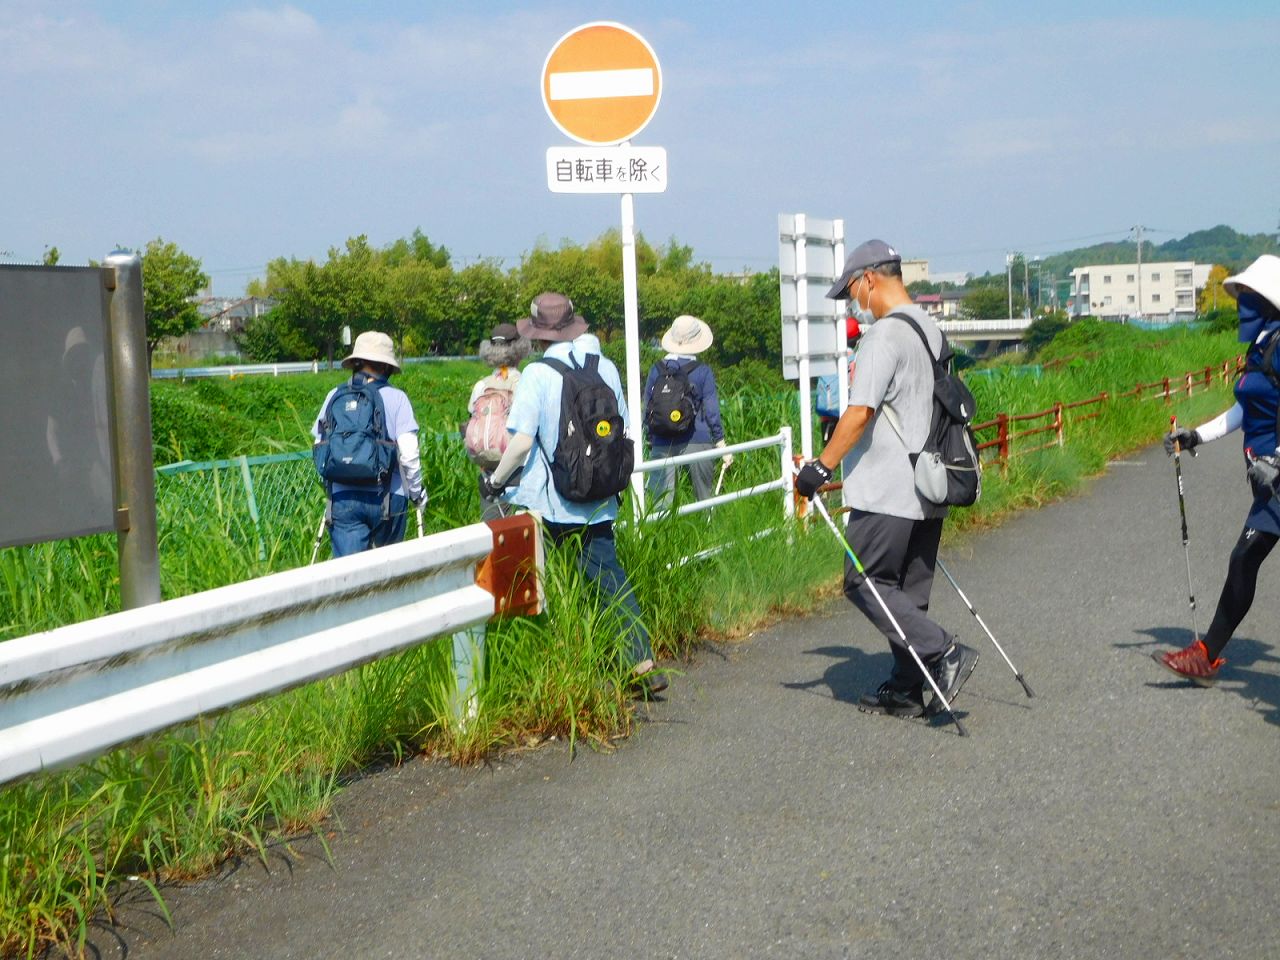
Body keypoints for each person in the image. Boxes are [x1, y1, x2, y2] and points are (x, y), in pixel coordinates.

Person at [793, 239, 978, 720]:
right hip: (931, 484)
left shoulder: (882, 338)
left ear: (870, 278)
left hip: (888, 487)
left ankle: (942, 651)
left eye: (853, 291)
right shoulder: (931, 330)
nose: (855, 302)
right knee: (907, 592)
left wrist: (819, 468)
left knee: (865, 583)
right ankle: (905, 686)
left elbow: (859, 413)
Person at [480, 292, 666, 695]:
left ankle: (555, 668)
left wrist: (495, 480)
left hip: (550, 503)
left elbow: (522, 442)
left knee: (537, 586)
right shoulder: (607, 368)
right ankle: (640, 661)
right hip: (598, 495)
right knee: (608, 580)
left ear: (537, 335)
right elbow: (624, 430)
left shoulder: (537, 374)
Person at [1155, 254, 1280, 684]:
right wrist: (1196, 437)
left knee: (1244, 559)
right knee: (1244, 560)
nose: (1241, 301)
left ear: (1269, 300)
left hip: (1278, 476)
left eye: (1248, 295)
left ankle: (1205, 653)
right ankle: (1204, 656)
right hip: (1270, 485)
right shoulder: (1262, 344)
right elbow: (1245, 410)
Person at [312, 331, 425, 557]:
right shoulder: (397, 398)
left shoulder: (334, 395)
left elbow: (319, 444)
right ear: (386, 367)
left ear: (356, 362)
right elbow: (409, 454)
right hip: (389, 496)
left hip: (343, 498)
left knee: (350, 577)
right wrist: (417, 493)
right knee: (389, 574)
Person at [643, 314, 732, 510]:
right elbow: (711, 410)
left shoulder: (656, 370)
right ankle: (708, 532)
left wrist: (651, 438)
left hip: (661, 440)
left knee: (661, 504)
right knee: (704, 498)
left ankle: (661, 538)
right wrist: (720, 441)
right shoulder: (703, 371)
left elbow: (647, 406)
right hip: (696, 438)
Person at [467, 322, 530, 521]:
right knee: (523, 537)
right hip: (520, 471)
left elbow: (472, 420)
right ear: (520, 349)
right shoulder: (525, 383)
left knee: (493, 533)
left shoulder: (481, 386)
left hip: (488, 469)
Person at [818, 315, 862, 445]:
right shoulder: (857, 359)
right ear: (857, 339)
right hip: (848, 416)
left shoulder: (828, 361)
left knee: (830, 457)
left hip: (827, 416)